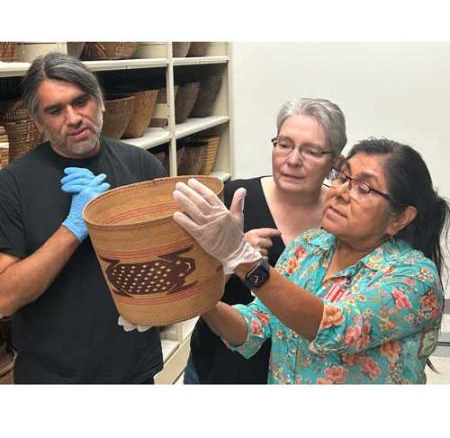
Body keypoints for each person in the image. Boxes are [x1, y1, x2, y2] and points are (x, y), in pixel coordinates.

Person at [173, 137, 449, 383]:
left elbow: (336, 328)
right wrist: (198, 295)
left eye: (364, 188)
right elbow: (255, 324)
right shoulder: (307, 247)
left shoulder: (414, 277)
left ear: (400, 218)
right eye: (342, 177)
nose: (340, 192)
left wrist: (242, 260)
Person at [0, 52, 166, 383]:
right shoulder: (13, 184)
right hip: (53, 375)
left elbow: (168, 258)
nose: (74, 118)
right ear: (37, 122)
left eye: (81, 101)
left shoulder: (142, 166)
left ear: (100, 101)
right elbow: (5, 296)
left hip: (133, 366)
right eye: (55, 110)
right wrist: (75, 226)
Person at [185, 97, 347, 383]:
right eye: (284, 145)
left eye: (310, 151)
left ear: (334, 162)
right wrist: (227, 260)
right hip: (221, 365)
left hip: (303, 372)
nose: (292, 160)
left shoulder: (342, 219)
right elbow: (189, 286)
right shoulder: (233, 199)